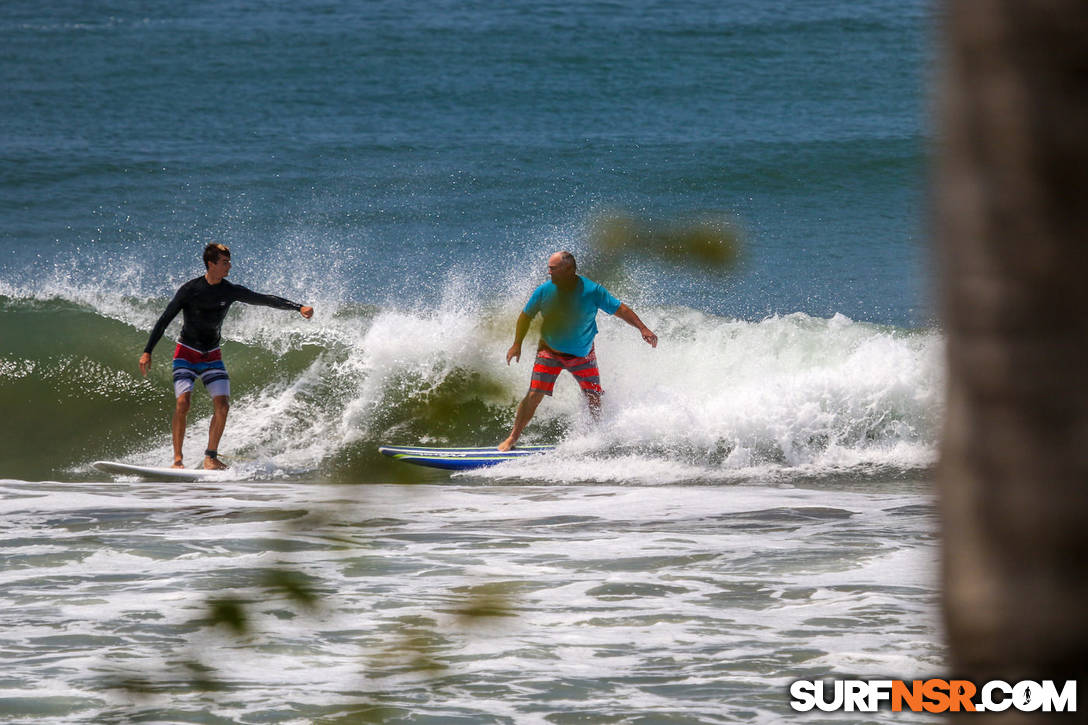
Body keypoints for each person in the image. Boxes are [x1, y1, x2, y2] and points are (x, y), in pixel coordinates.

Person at [138, 243, 314, 469]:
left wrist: (297, 307)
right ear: (211, 264)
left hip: (212, 355)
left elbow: (263, 299)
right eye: (224, 262)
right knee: (183, 403)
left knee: (222, 406)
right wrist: (147, 351)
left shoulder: (228, 290)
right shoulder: (190, 290)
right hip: (187, 354)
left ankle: (210, 457)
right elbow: (164, 320)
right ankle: (177, 460)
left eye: (229, 262)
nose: (229, 266)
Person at [498, 251, 657, 451]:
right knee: (534, 394)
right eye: (549, 268)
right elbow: (525, 316)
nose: (549, 272)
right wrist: (517, 344)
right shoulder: (544, 290)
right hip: (549, 351)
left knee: (593, 396)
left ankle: (598, 439)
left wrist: (642, 328)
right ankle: (512, 438)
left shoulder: (592, 291)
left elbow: (620, 309)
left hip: (583, 354)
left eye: (553, 269)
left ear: (569, 270)